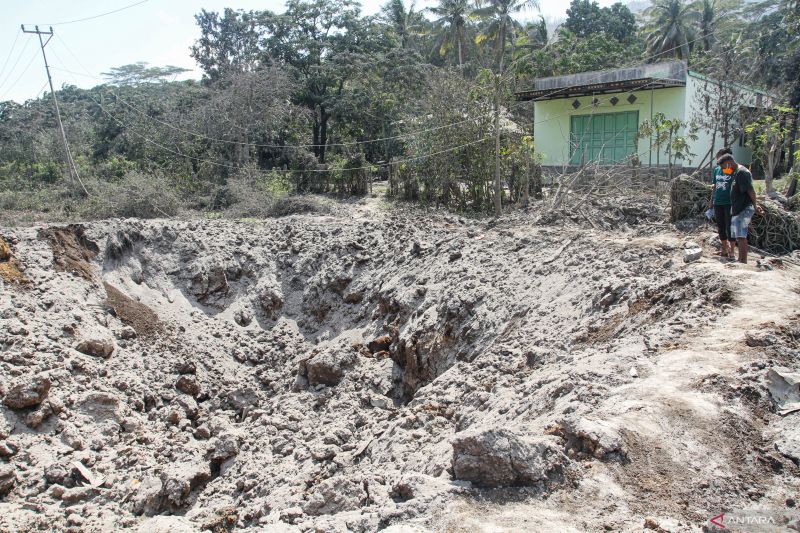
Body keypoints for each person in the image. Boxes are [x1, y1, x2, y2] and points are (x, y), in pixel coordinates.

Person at [719, 153, 764, 264]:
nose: (724, 170)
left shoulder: (742, 173)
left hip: (743, 208)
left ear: (729, 163)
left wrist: (755, 205)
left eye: (724, 167)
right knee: (739, 235)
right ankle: (740, 259)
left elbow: (750, 190)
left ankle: (743, 261)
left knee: (741, 235)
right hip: (738, 209)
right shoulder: (737, 172)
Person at [709, 148, 735, 259]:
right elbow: (715, 186)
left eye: (719, 156)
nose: (717, 158)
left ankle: (732, 251)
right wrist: (711, 201)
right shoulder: (717, 170)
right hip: (718, 202)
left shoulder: (734, 170)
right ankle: (724, 248)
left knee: (730, 226)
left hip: (729, 202)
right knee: (720, 226)